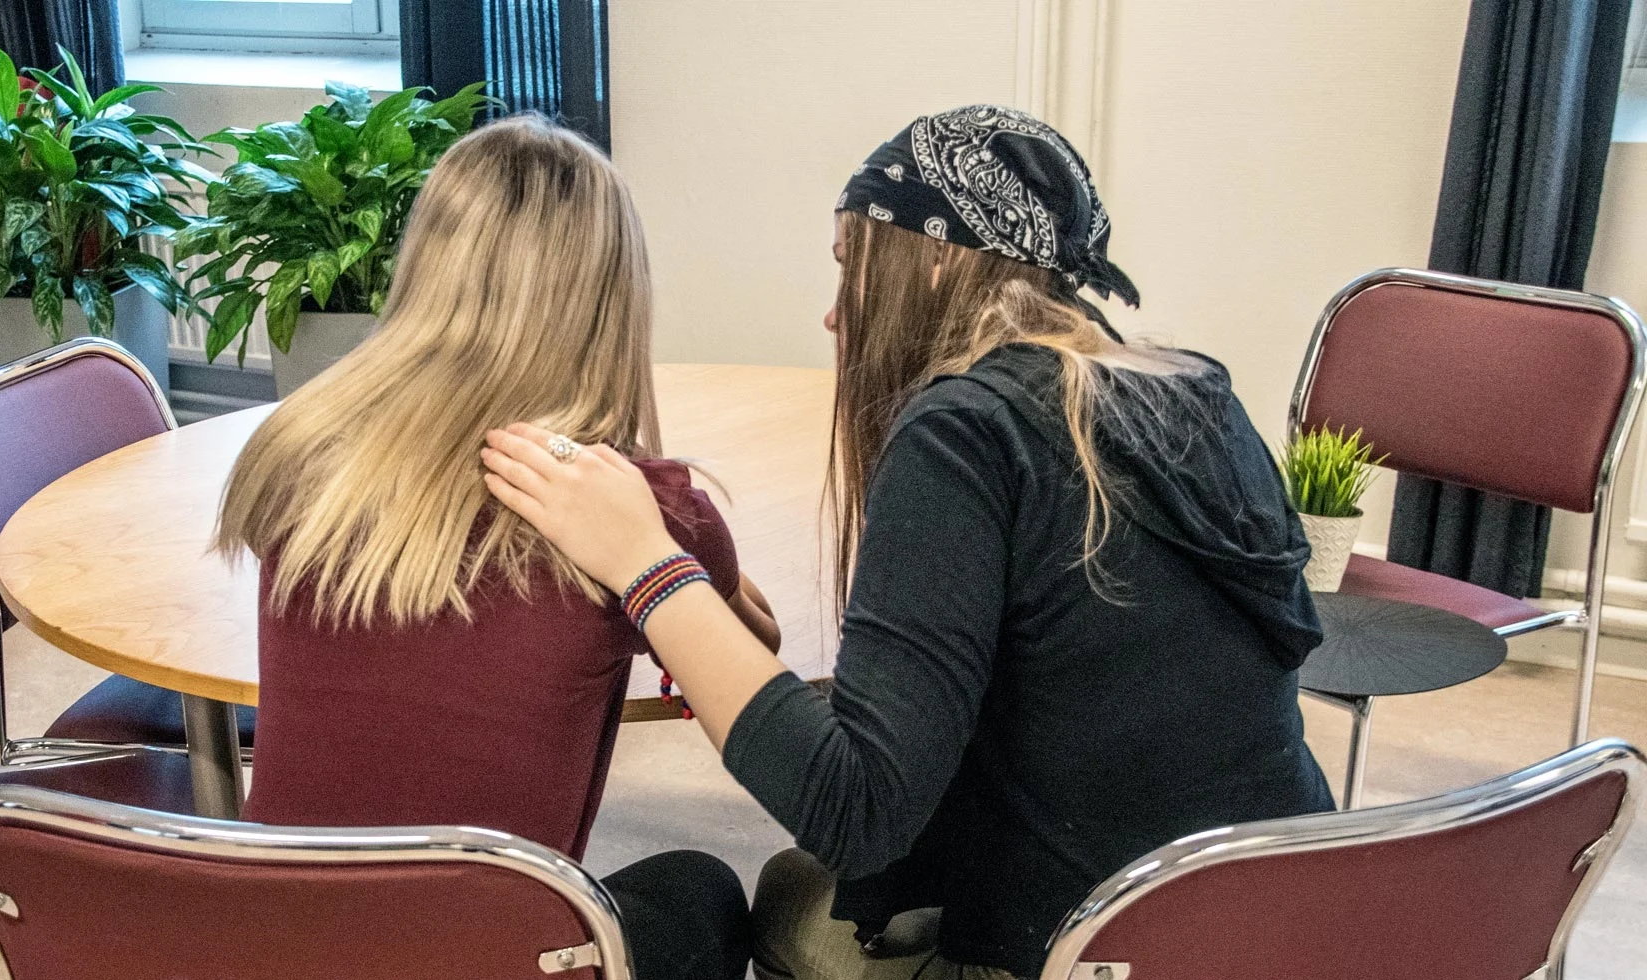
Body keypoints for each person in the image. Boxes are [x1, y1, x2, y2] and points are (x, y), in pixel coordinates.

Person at [479, 104, 1336, 980]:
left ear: (931, 260)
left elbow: (854, 809)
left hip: (1105, 951)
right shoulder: (1194, 391)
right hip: (1282, 912)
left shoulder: (966, 433)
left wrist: (645, 565)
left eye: (853, 266)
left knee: (793, 903)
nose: (832, 314)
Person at [216, 115, 772, 980]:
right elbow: (756, 651)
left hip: (277, 942)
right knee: (702, 887)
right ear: (610, 301)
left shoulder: (298, 452)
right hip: (490, 959)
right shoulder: (648, 507)